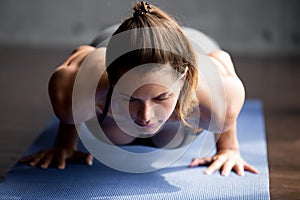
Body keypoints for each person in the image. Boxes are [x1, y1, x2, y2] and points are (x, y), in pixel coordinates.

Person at [19, 1, 259, 176]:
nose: (145, 116)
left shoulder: (215, 94)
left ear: (184, 78)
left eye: (161, 97)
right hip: (119, 43)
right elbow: (78, 62)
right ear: (112, 79)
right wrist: (64, 144)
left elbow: (222, 62)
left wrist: (229, 148)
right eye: (130, 98)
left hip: (189, 46)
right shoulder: (78, 87)